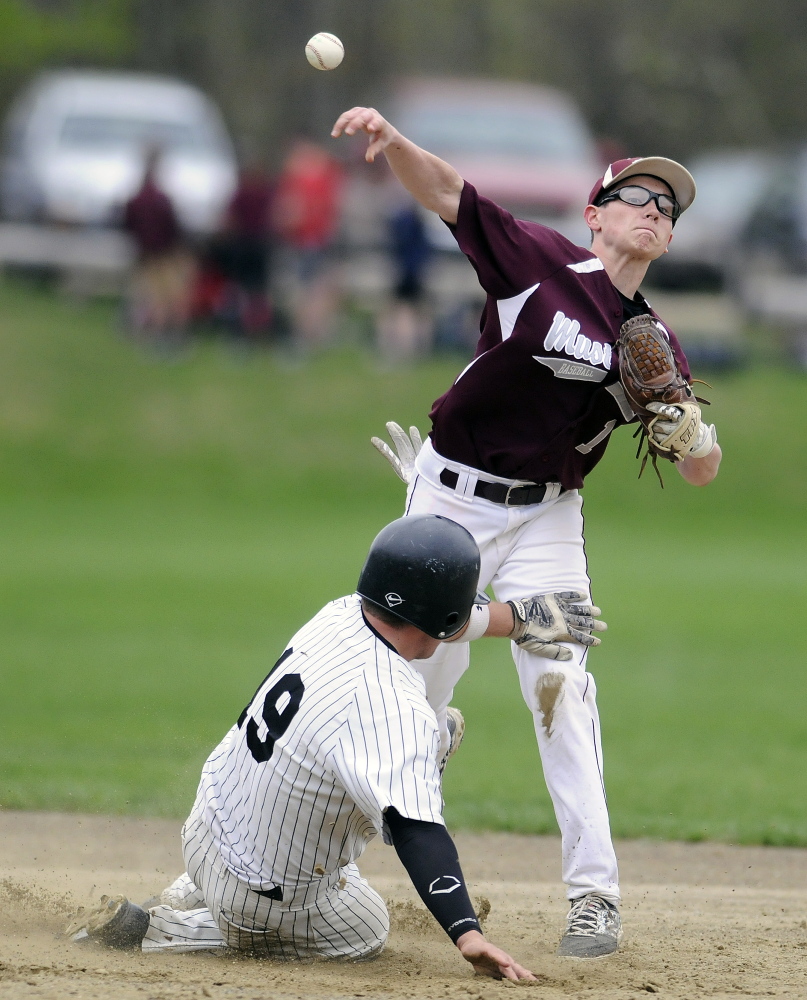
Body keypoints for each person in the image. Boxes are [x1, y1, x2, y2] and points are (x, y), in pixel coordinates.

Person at [331, 107, 723, 959]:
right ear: (595, 211)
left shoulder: (647, 340)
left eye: (669, 207)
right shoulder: (538, 260)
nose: (655, 211)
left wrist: (687, 430)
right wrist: (393, 143)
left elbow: (702, 469)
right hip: (451, 499)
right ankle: (335, 861)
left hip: (548, 512)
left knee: (561, 686)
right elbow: (446, 193)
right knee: (405, 694)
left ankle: (593, 897)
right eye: (638, 195)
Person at [66, 515, 604, 976]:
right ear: (445, 617)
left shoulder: (338, 613)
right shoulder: (393, 707)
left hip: (202, 833)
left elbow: (428, 611)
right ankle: (159, 930)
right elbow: (419, 835)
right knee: (367, 925)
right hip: (258, 895)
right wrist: (466, 932)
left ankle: (190, 888)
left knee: (429, 738)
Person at [123, 146, 194, 349]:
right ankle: (164, 336)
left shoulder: (136, 200)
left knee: (150, 295)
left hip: (146, 253)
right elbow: (173, 229)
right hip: (162, 254)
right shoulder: (160, 201)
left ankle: (152, 333)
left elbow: (128, 225)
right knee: (164, 297)